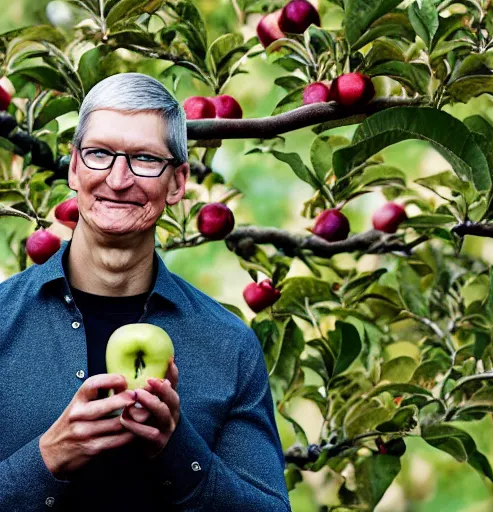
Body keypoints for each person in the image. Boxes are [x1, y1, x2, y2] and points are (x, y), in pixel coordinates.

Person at [0, 73, 291, 511]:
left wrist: (176, 449)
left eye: (144, 159)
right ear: (75, 169)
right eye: (99, 154)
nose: (118, 179)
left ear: (177, 184)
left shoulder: (228, 345)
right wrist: (47, 458)